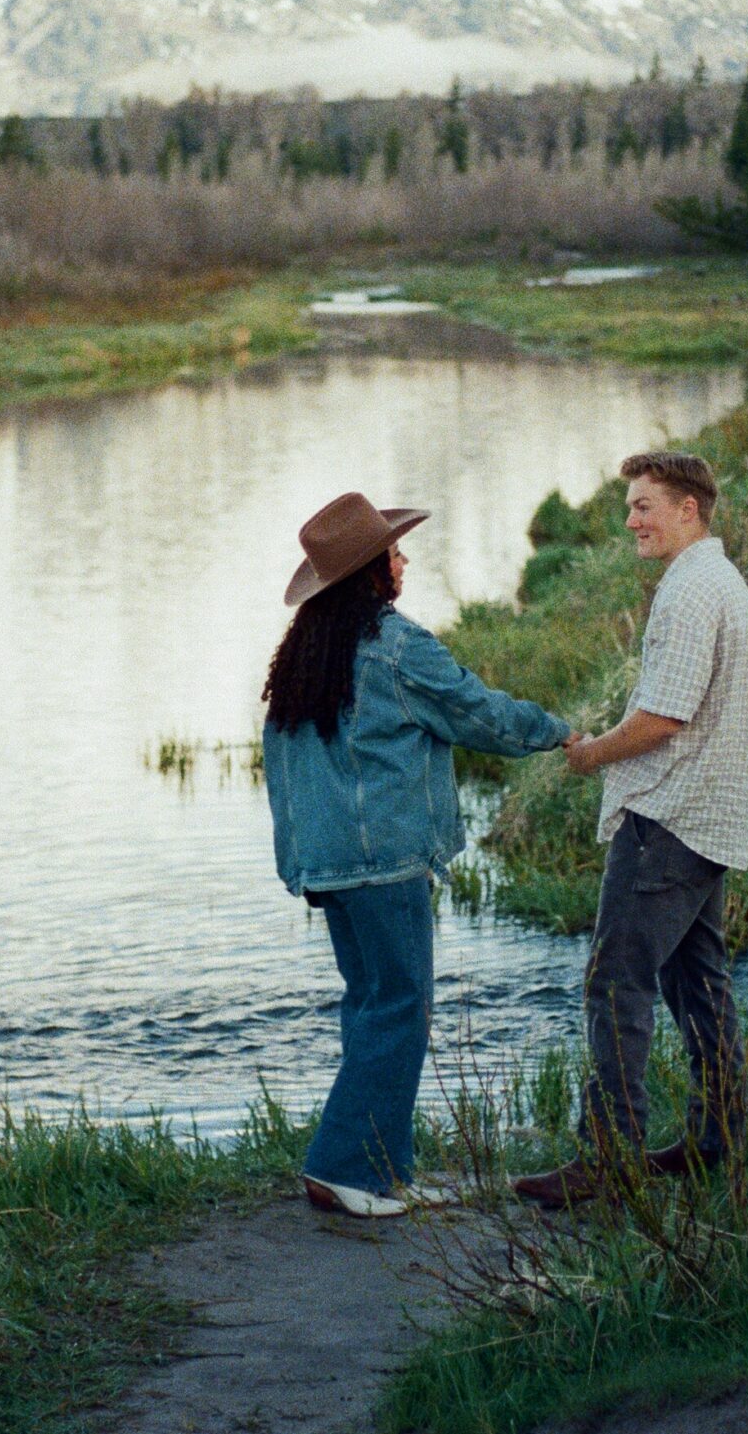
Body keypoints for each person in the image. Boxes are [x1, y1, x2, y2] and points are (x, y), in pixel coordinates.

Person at [262, 491, 573, 1219]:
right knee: (400, 1009)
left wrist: (296, 863)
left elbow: (282, 771)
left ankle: (382, 1170)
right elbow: (477, 711)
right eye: (394, 553)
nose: (405, 560)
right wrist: (559, 733)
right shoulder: (396, 645)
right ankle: (344, 1170)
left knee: (372, 1006)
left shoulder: (305, 652)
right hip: (385, 864)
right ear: (371, 572)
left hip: (330, 869)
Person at [515, 451, 748, 1210]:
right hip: (707, 816)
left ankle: (611, 1157)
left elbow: (666, 716)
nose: (630, 520)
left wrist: (591, 752)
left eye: (643, 505)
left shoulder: (693, 590)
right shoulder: (714, 580)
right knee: (695, 979)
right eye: (629, 506)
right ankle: (717, 1137)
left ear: (689, 508)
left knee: (614, 980)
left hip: (672, 816)